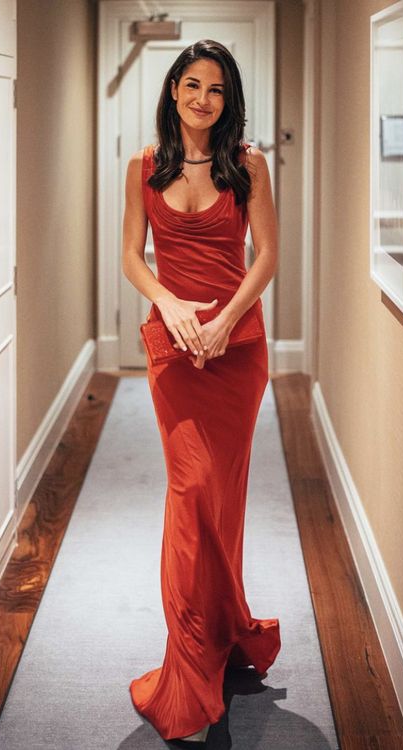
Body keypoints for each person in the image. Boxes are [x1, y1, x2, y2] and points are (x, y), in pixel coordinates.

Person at [121, 38, 281, 744]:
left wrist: (227, 321)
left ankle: (223, 632)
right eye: (191, 85)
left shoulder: (248, 165)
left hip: (237, 353)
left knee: (222, 503)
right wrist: (172, 304)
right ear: (173, 91)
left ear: (228, 99)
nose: (202, 99)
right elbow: (131, 255)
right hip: (174, 353)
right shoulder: (143, 167)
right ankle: (188, 670)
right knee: (190, 497)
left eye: (215, 89)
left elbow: (266, 256)